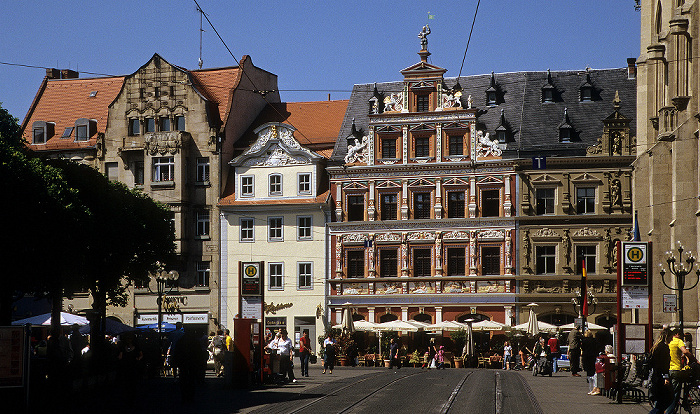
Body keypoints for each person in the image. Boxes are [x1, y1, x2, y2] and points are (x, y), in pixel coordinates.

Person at [667, 328, 695, 414]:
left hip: (669, 370)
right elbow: (685, 351)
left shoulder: (669, 341)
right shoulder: (678, 341)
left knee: (670, 391)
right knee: (675, 394)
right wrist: (693, 358)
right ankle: (670, 412)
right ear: (678, 334)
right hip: (676, 369)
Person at [648, 328, 672, 414]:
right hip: (661, 377)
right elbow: (664, 365)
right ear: (667, 337)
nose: (672, 339)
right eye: (671, 337)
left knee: (660, 401)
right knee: (667, 399)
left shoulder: (655, 347)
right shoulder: (664, 348)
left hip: (655, 376)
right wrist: (666, 377)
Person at [581, 330, 599, 395]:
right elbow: (597, 348)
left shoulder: (584, 341)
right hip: (593, 356)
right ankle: (593, 379)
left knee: (588, 369)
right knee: (593, 368)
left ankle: (589, 379)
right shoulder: (594, 340)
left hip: (586, 356)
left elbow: (582, 348)